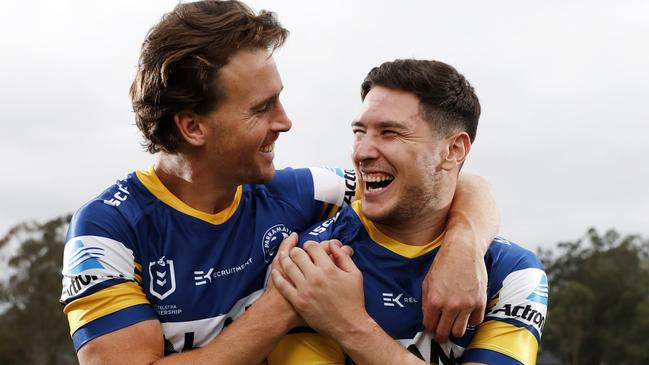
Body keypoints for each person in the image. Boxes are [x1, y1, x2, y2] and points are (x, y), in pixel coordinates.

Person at [60, 2, 499, 364]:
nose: (285, 122)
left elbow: (440, 182)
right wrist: (283, 305)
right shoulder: (107, 230)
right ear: (193, 127)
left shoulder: (299, 192)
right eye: (262, 108)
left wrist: (463, 247)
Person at [270, 59, 548, 364]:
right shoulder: (314, 259)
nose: (362, 152)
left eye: (390, 133)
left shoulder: (512, 271)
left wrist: (352, 328)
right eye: (360, 131)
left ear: (454, 150)